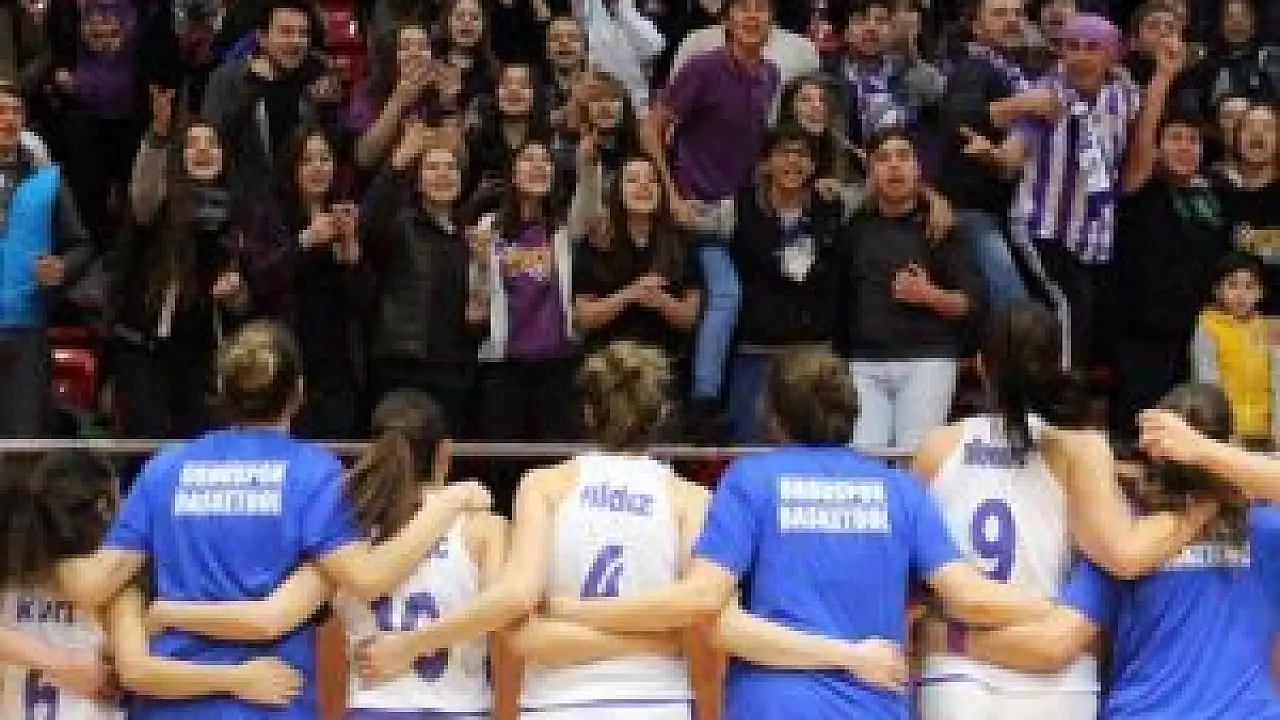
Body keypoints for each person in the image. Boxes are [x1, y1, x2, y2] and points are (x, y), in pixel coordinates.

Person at [538, 348, 1065, 719]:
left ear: (773, 417)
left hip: (774, 703)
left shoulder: (750, 480)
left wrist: (572, 610)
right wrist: (1064, 609)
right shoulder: (899, 490)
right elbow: (970, 596)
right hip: (872, 702)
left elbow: (706, 610)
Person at [53, 321, 491, 719]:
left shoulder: (164, 468)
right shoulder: (314, 472)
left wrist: (31, 541)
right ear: (298, 393)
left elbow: (91, 584)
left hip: (171, 704)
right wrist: (452, 501)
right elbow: (368, 577)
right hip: (271, 703)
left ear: (222, 390)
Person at [913, 303, 1216, 719]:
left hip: (960, 663)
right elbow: (1124, 557)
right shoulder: (1079, 446)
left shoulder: (937, 447)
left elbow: (912, 569)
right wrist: (1201, 506)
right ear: (1058, 366)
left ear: (980, 366)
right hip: (1057, 661)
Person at [145, 390, 508, 718]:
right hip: (460, 709)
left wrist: (170, 611)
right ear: (445, 453)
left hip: (374, 710)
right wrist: (417, 644)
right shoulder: (482, 529)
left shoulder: (345, 540)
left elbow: (269, 618)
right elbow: (505, 608)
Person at [955, 384, 1280, 719]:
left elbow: (1055, 644)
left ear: (1152, 455)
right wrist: (1208, 455)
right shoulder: (1266, 529)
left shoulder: (1123, 538)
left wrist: (950, 639)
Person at [0, 451, 304, 718]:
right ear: (104, 507)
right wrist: (237, 678)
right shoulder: (115, 587)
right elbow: (138, 671)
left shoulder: (17, 577)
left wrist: (58, 663)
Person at [0, 79, 93, 438]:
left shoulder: (47, 180)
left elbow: (81, 246)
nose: (9, 120)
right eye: (1, 112)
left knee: (24, 444)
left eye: (15, 112)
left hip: (26, 332)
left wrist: (62, 268)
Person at [1192, 252, 1277, 449]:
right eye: (1232, 285)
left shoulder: (1268, 329)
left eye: (1249, 287)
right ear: (1217, 290)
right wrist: (1223, 432)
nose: (1241, 294)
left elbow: (1276, 382)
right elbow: (1207, 385)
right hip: (1226, 436)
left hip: (1267, 434)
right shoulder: (1208, 328)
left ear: (1260, 292)